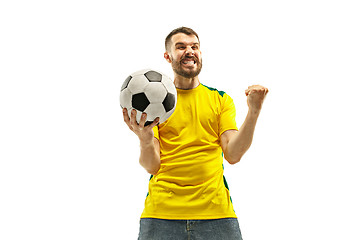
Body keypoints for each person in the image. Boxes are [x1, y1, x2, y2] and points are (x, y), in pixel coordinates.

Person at [123, 27, 268, 240]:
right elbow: (152, 166)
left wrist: (254, 111)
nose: (189, 51)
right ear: (168, 56)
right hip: (162, 215)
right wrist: (145, 140)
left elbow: (233, 154)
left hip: (217, 214)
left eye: (194, 46)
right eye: (181, 47)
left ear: (200, 54)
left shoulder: (220, 100)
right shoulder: (156, 104)